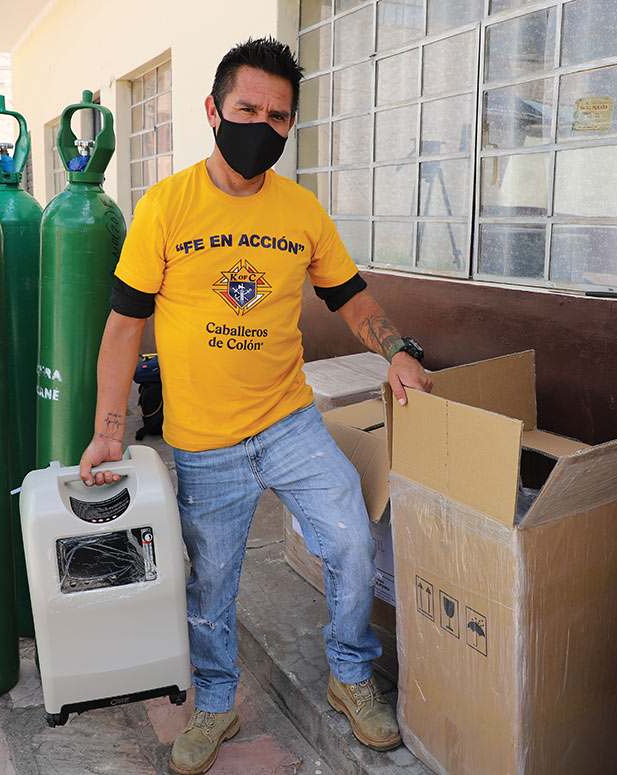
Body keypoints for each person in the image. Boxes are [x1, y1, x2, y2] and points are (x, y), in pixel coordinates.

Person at [78, 37, 432, 775]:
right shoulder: (166, 206)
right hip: (204, 442)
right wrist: (110, 429)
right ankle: (215, 700)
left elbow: (349, 295)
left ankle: (349, 672)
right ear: (213, 109)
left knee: (351, 540)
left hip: (289, 421)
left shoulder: (300, 211)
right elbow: (122, 326)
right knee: (211, 585)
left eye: (278, 117)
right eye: (247, 109)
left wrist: (397, 347)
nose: (261, 127)